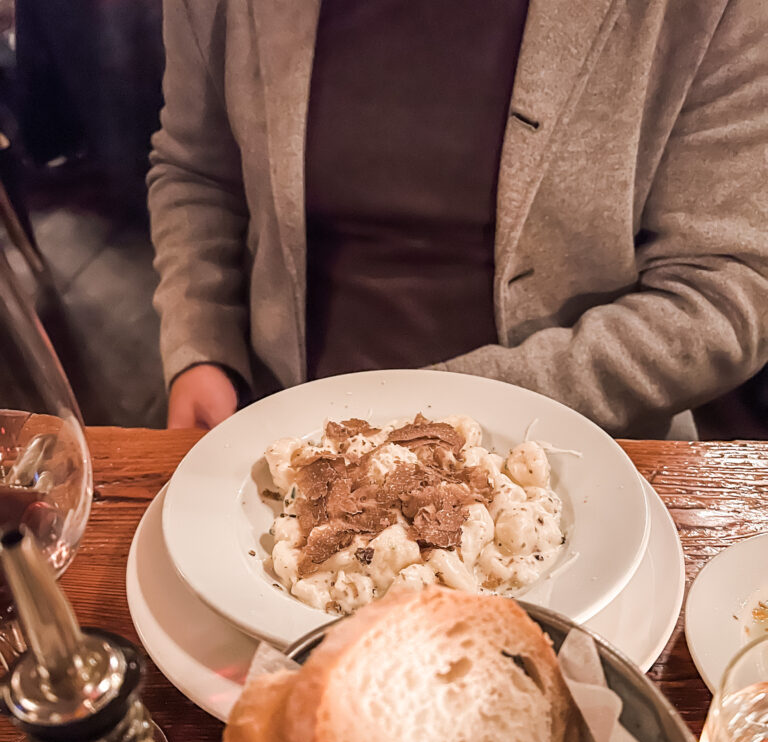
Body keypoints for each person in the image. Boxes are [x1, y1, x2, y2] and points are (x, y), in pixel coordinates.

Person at [148, 0, 768, 438]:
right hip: (286, 438)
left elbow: (727, 291)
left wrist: (430, 408)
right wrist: (202, 345)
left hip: (578, 464)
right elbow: (196, 171)